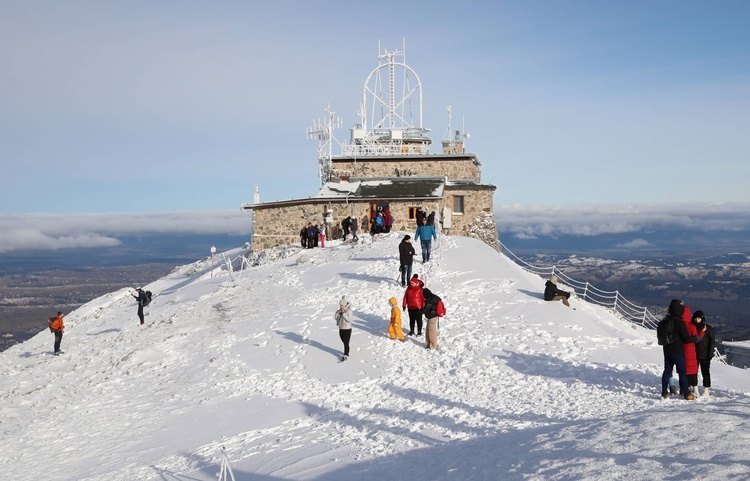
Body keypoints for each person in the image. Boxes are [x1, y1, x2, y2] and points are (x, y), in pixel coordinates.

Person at [659, 299, 700, 400]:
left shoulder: (664, 321)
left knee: (667, 371)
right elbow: (686, 339)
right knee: (682, 372)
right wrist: (695, 338)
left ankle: (664, 392)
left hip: (667, 350)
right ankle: (687, 393)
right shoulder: (680, 323)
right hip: (678, 351)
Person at [681, 304, 703, 397]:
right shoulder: (691, 326)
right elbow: (697, 339)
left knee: (683, 370)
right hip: (690, 350)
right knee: (693, 370)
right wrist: (702, 332)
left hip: (681, 350)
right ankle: (695, 389)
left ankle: (685, 388)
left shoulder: (678, 325)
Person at [693, 310, 715, 397]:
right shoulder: (693, 327)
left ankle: (706, 389)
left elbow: (712, 342)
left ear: (702, 318)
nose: (697, 320)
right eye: (695, 318)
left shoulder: (708, 328)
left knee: (705, 372)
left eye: (698, 318)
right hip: (694, 354)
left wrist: (710, 354)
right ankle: (695, 388)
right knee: (694, 372)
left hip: (705, 354)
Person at [335, 295, 353, 361]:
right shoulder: (340, 310)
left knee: (346, 342)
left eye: (342, 305)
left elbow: (349, 320)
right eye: (340, 305)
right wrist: (337, 314)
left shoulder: (349, 311)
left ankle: (346, 355)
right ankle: (346, 350)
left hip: (347, 329)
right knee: (343, 341)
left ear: (345, 305)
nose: (341, 307)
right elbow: (336, 319)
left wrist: (343, 314)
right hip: (341, 328)